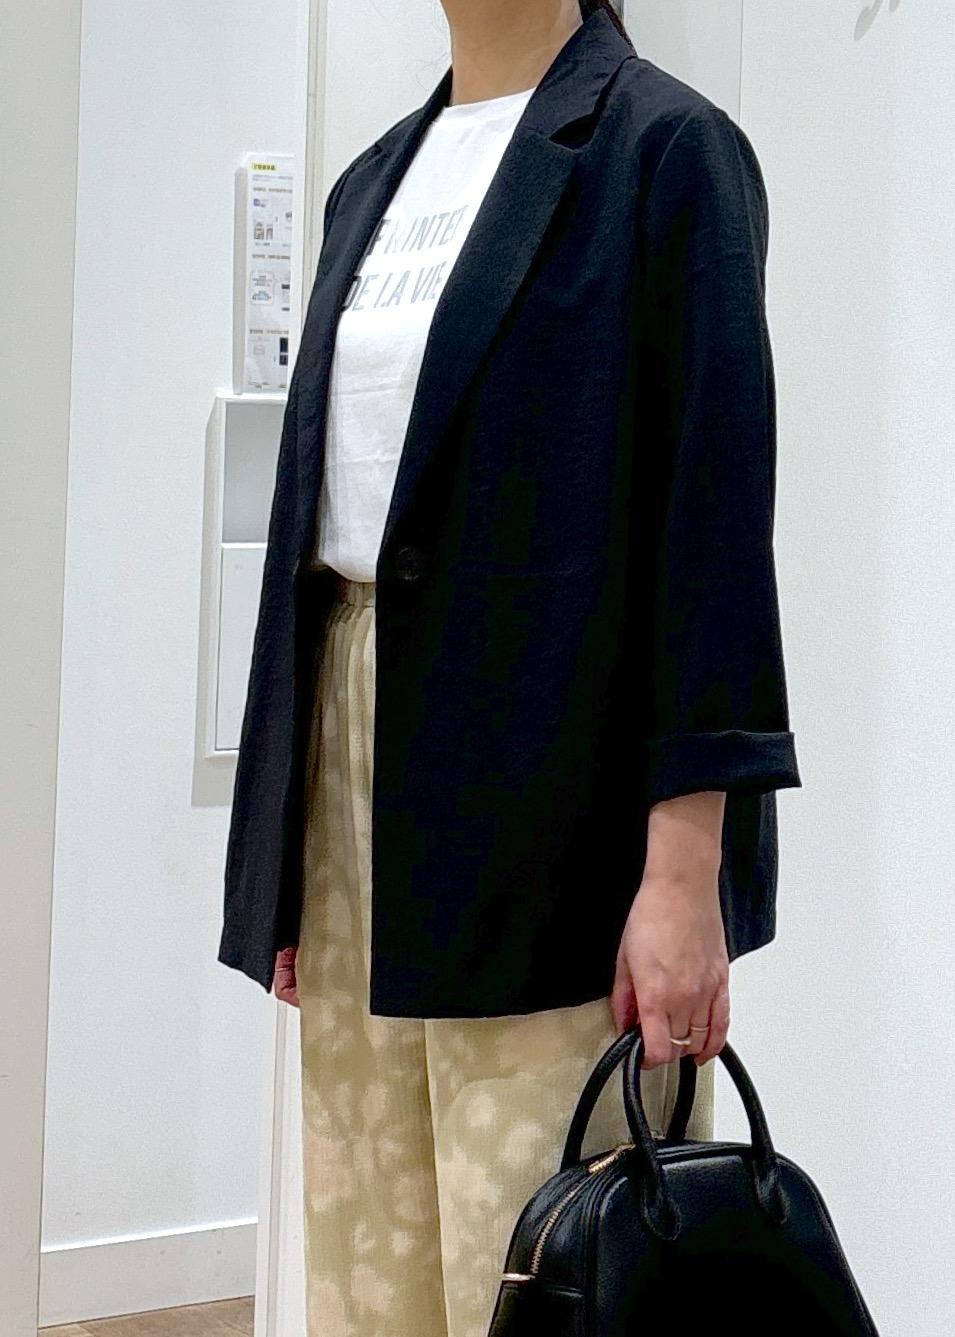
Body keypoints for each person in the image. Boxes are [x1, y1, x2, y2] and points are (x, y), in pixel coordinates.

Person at [218, 2, 802, 1333]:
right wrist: (286, 855)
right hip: (357, 779)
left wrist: (685, 872)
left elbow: (712, 537)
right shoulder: (372, 181)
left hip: (558, 805)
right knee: (370, 1277)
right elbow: (321, 535)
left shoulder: (667, 152)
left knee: (544, 1266)